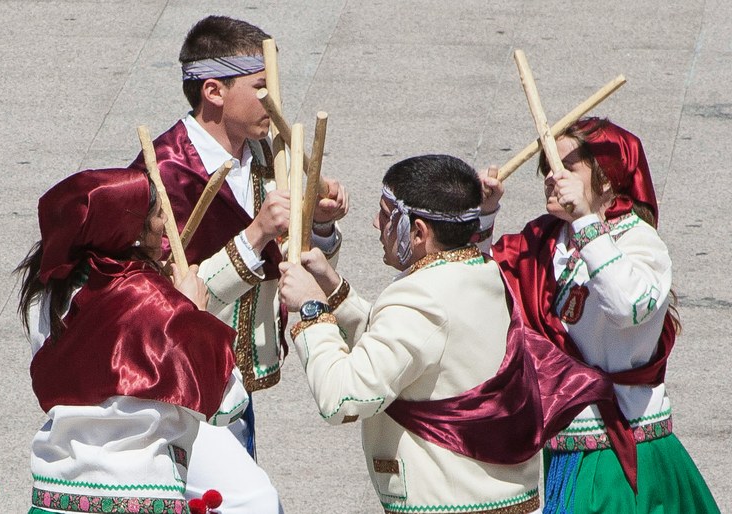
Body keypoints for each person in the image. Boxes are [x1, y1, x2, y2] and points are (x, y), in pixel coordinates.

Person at [128, 15, 348, 512]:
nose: (275, 101)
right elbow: (152, 299)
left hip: (235, 382)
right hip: (177, 392)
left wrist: (318, 226)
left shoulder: (268, 155)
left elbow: (294, 263)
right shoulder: (161, 175)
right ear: (214, 90)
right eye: (261, 86)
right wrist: (254, 234)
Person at [278, 154, 553, 514]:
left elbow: (342, 399)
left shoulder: (420, 296)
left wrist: (313, 309)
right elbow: (409, 349)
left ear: (419, 232)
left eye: (385, 214)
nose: (376, 224)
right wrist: (334, 290)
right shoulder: (484, 271)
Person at [475, 117, 720, 513]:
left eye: (567, 168)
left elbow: (627, 307)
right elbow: (482, 290)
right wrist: (484, 215)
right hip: (564, 448)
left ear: (606, 179)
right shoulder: (543, 239)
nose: (552, 178)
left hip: (628, 448)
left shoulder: (640, 240)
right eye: (548, 168)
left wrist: (588, 221)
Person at [16, 168, 247, 514]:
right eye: (157, 214)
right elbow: (229, 404)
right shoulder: (158, 304)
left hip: (55, 497)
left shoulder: (45, 295)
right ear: (132, 233)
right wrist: (195, 315)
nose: (166, 219)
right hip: (140, 495)